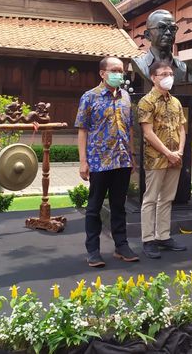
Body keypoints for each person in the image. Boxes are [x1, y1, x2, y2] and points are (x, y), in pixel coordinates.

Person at [75, 56, 139, 268]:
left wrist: (132, 155)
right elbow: (82, 130)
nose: (118, 74)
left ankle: (121, 245)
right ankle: (93, 250)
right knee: (94, 207)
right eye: (114, 70)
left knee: (119, 206)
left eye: (121, 70)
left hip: (122, 160)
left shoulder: (126, 97)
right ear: (102, 73)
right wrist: (83, 161)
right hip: (99, 161)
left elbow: (129, 128)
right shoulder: (89, 97)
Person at [138, 60, 187, 258]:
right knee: (150, 199)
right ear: (153, 77)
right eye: (163, 74)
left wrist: (180, 152)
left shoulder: (175, 102)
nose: (168, 78)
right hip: (156, 158)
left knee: (167, 199)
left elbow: (182, 128)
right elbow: (148, 133)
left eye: (170, 74)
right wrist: (168, 152)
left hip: (176, 158)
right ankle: (148, 239)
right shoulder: (146, 102)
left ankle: (163, 236)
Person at [131, 10, 187, 82]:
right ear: (148, 35)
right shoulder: (140, 64)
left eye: (172, 29)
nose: (168, 33)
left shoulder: (181, 67)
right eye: (162, 28)